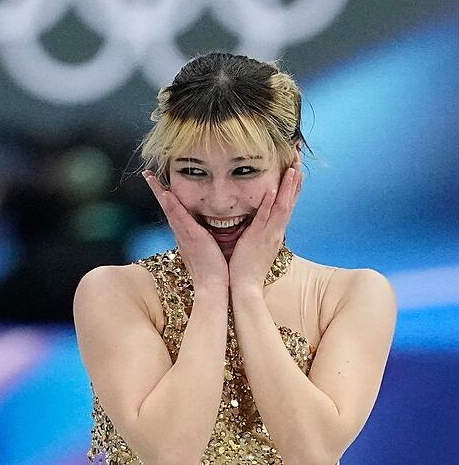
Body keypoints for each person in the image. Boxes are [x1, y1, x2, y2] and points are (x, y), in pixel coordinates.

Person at [73, 53, 397, 464]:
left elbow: (313, 453)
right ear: (165, 171)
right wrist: (210, 290)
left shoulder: (351, 296)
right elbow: (170, 455)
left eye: (243, 171)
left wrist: (246, 291)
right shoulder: (115, 293)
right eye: (193, 172)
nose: (220, 201)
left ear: (289, 161)